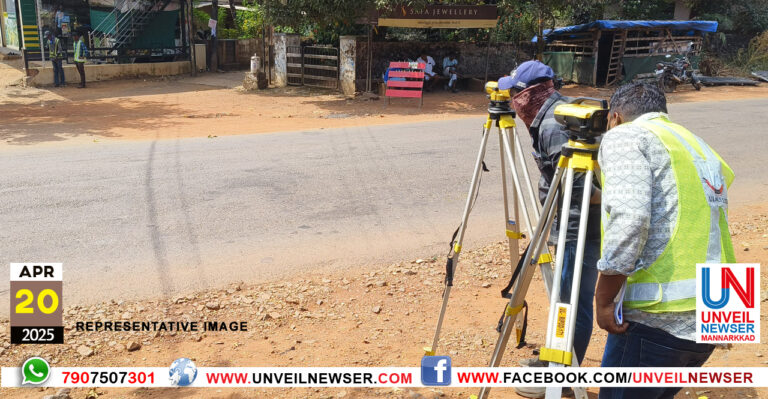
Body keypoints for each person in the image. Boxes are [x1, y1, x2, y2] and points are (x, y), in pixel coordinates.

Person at [596, 82, 734, 399]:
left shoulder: (625, 136)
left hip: (658, 318)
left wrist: (604, 298)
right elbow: (695, 217)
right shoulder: (695, 144)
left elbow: (631, 220)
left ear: (614, 117)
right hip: (717, 315)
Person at [499, 60, 601, 399]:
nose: (512, 101)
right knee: (566, 297)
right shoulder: (550, 116)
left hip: (577, 225)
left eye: (515, 93)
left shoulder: (555, 126)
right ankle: (557, 363)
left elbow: (579, 186)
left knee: (570, 301)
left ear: (529, 93)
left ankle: (563, 379)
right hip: (567, 221)